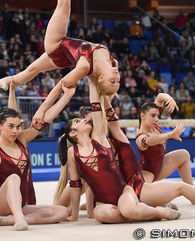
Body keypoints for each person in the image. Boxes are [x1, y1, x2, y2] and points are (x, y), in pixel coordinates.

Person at [57, 76, 180, 223]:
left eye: (88, 120)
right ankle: (144, 211)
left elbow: (99, 108)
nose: (85, 121)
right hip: (104, 199)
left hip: (125, 189)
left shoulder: (102, 137)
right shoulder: (77, 150)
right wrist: (77, 214)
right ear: (73, 133)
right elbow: (80, 184)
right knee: (91, 211)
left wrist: (94, 81)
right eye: (81, 120)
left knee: (127, 209)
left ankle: (155, 210)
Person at [0, 79, 74, 230]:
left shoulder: (21, 140)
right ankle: (18, 219)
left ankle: (9, 220)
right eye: (11, 127)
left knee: (61, 212)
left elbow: (45, 120)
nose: (15, 131)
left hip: (22, 202)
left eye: (18, 126)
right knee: (13, 177)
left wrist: (67, 97)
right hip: (0, 205)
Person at [136, 93, 193, 185]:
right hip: (147, 173)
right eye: (153, 116)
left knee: (183, 154)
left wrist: (169, 98)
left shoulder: (154, 124)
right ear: (142, 116)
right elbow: (149, 140)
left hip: (161, 167)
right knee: (144, 196)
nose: (157, 119)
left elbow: (159, 97)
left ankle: (192, 191)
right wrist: (169, 135)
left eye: (157, 115)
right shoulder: (140, 137)